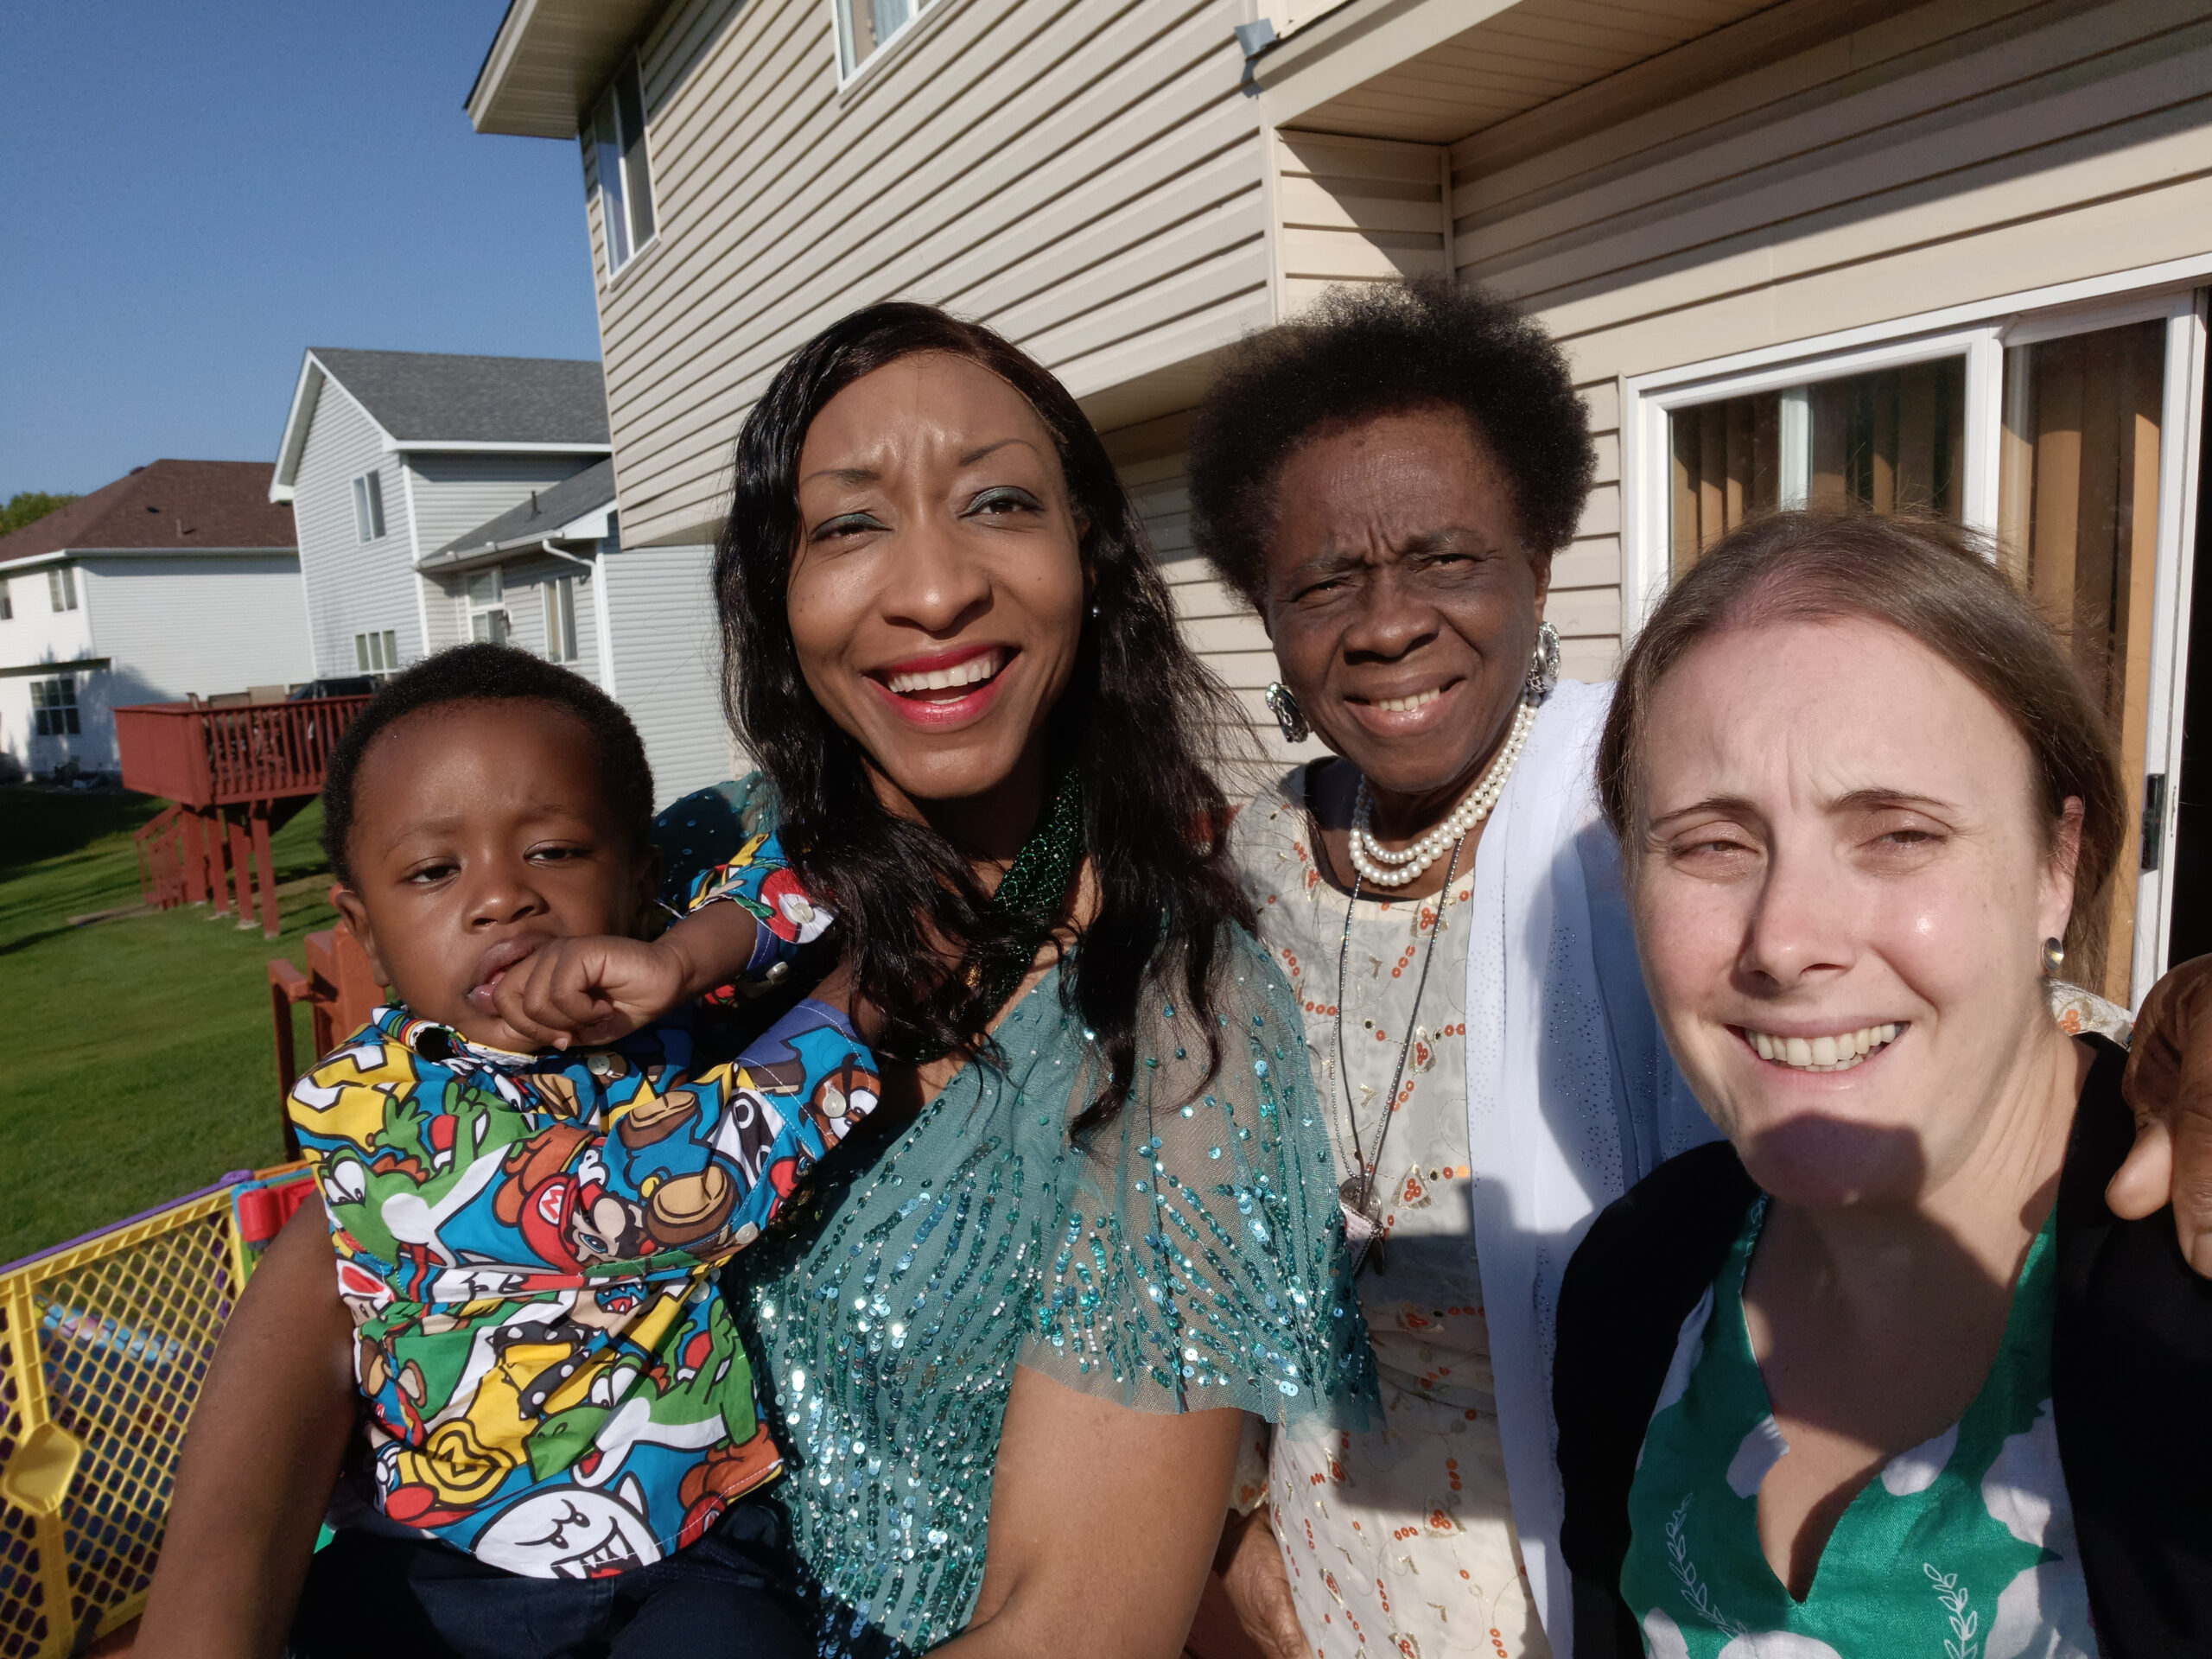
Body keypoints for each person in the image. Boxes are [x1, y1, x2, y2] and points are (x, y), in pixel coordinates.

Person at [136, 302, 1375, 1659]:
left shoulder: (1175, 1018)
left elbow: (1074, 1624)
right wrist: (206, 1611)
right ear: (777, 592)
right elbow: (381, 1207)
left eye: (999, 503)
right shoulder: (677, 861)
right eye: (849, 524)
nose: (934, 591)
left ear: (1090, 556)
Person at [1187, 276, 2202, 1659]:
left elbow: (2009, 1040)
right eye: (1321, 583)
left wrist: (2177, 1057)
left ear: (1539, 563)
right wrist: (1238, 1514)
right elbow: (1206, 1210)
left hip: (1541, 1569)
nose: (1385, 623)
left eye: (1445, 559)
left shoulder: (1606, 803)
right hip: (1354, 1561)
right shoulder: (1256, 864)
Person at [1553, 512, 2212, 1656]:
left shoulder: (2188, 1290)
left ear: (2056, 865)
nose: (1784, 940)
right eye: (1710, 844)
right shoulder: (1640, 1278)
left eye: (1899, 835)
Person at [283, 642, 874, 1656]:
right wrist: (864, 1001)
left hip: (697, 1533)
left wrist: (686, 952)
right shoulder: (372, 1105)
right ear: (366, 930)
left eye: (553, 852)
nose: (500, 897)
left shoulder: (646, 1001)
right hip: (443, 1561)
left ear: (640, 882)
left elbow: (813, 866)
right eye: (433, 871)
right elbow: (659, 1196)